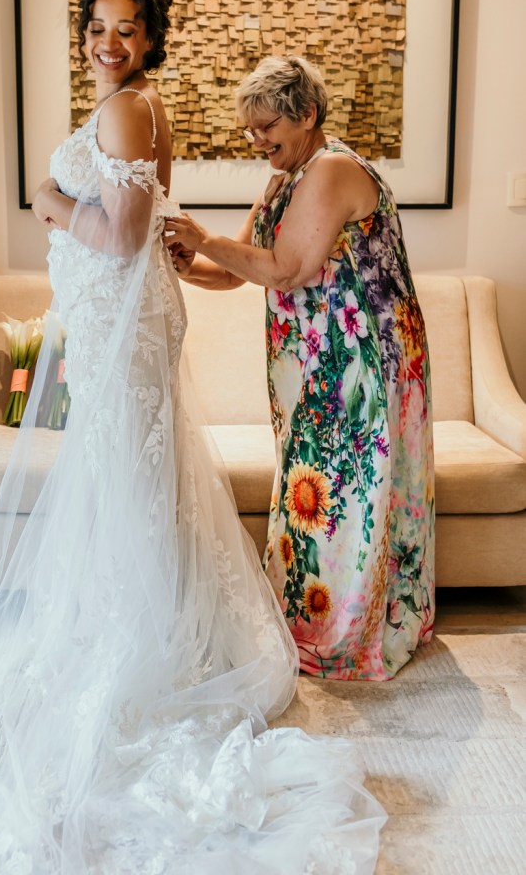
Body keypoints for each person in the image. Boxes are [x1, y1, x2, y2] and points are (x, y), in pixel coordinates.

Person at [0, 0, 384, 872]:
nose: (108, 42)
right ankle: (159, 630)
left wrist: (46, 200)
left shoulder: (125, 110)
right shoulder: (138, 107)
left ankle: (144, 646)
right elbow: (147, 233)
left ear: (150, 39)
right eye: (97, 27)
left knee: (128, 485)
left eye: (127, 29)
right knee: (136, 488)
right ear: (84, 34)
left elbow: (117, 235)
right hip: (124, 326)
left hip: (123, 332)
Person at [165, 54, 434, 681]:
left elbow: (287, 270)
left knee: (349, 494)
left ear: (307, 114)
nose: (256, 140)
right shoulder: (284, 179)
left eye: (267, 127)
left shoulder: (333, 169)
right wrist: (187, 264)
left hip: (361, 365)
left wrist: (201, 237)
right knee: (314, 491)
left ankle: (348, 634)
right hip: (316, 366)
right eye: (250, 129)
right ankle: (310, 621)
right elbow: (241, 271)